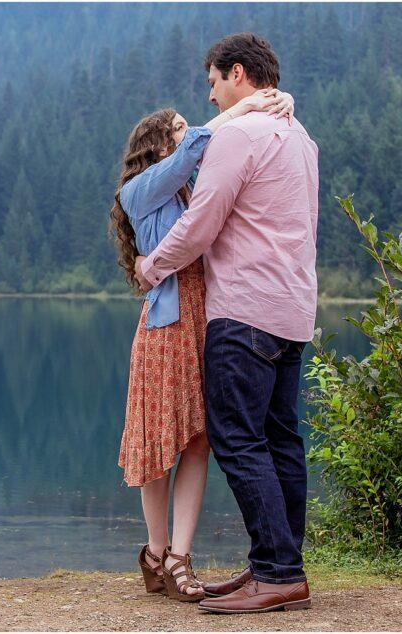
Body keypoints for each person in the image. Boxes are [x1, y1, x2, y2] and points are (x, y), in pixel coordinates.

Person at [134, 32, 319, 614]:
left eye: (213, 82)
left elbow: (200, 225)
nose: (210, 96)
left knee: (238, 440)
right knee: (282, 439)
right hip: (293, 312)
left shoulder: (237, 136)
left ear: (237, 74)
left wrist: (151, 266)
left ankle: (278, 571)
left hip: (243, 313)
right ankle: (280, 563)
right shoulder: (300, 136)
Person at [111, 89, 293, 602]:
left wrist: (270, 108)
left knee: (197, 439)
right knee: (159, 444)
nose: (190, 133)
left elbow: (211, 158)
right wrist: (248, 105)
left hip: (205, 323)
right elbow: (200, 144)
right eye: (179, 127)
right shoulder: (140, 191)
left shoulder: (191, 190)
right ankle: (155, 551)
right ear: (158, 143)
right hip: (165, 330)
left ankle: (178, 558)